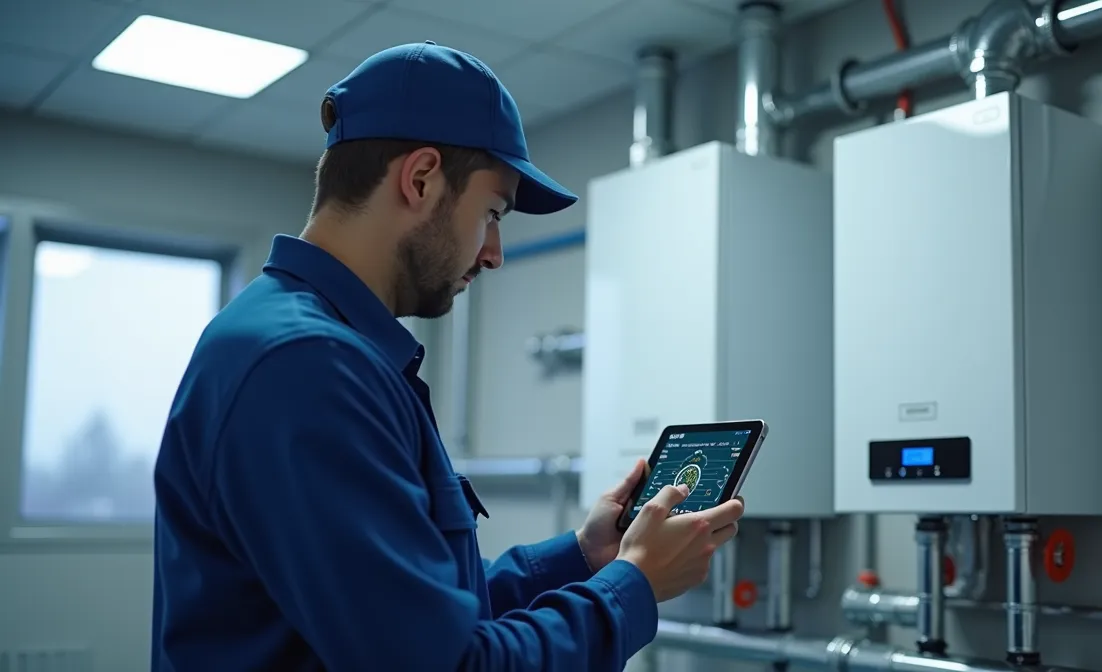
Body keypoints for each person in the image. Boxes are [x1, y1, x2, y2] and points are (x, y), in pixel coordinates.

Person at [150, 42, 746, 671]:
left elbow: (414, 616)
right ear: (421, 178)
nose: (494, 254)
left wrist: (584, 557)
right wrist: (634, 588)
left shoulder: (310, 348)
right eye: (492, 213)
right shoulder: (307, 366)